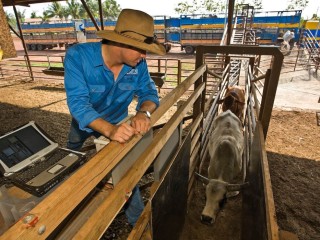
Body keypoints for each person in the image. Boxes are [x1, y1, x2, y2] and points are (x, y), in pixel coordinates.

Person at [64, 8, 166, 226]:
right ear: (124, 44)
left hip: (118, 121)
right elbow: (78, 105)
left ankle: (137, 223)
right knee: (70, 154)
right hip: (85, 122)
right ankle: (65, 197)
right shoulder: (78, 57)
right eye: (142, 50)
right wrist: (109, 130)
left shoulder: (138, 65)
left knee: (125, 169)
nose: (144, 56)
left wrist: (143, 112)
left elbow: (149, 93)